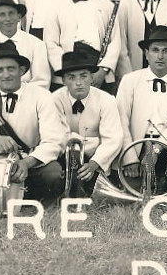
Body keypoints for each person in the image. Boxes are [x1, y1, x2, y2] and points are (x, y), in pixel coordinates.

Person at [0, 40, 67, 203]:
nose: (6, 74)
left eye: (11, 68)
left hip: (30, 160)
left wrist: (27, 162)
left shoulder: (42, 96)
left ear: (22, 70)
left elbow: (54, 141)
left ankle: (34, 196)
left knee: (52, 173)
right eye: (0, 70)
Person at [115, 26, 167, 191]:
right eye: (155, 50)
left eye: (166, 51)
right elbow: (120, 121)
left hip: (165, 148)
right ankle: (144, 179)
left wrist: (157, 148)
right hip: (136, 149)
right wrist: (130, 158)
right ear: (146, 54)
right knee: (134, 192)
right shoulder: (130, 80)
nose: (160, 56)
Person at [53, 50, 125, 195]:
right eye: (71, 77)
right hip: (64, 159)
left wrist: (94, 164)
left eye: (83, 76)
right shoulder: (54, 100)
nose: (78, 83)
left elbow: (113, 138)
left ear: (92, 77)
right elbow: (57, 136)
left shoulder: (106, 99)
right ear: (63, 80)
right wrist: (90, 142)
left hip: (96, 160)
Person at [41, 0, 120, 89]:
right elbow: (51, 43)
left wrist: (103, 70)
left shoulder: (106, 5)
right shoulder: (55, 7)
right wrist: (67, 71)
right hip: (67, 70)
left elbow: (115, 41)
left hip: (98, 70)